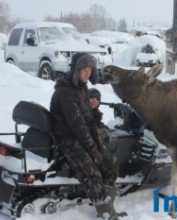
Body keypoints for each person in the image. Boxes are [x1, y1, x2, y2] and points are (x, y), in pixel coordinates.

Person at [50, 53, 127, 220]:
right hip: (67, 138)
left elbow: (89, 119)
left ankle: (108, 203)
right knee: (93, 173)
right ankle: (104, 212)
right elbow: (77, 125)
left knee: (110, 162)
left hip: (81, 134)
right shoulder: (65, 92)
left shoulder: (82, 88)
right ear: (75, 70)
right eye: (84, 70)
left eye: (90, 70)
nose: (87, 73)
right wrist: (92, 149)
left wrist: (98, 144)